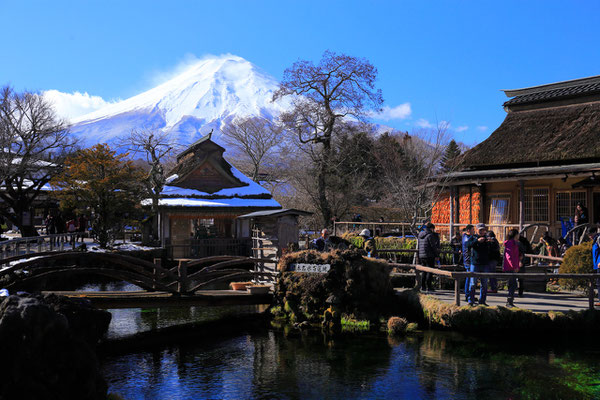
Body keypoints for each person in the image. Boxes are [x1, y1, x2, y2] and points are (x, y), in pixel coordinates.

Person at [466, 223, 491, 306]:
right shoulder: (473, 238)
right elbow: (467, 245)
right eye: (480, 230)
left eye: (483, 230)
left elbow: (495, 248)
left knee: (484, 284)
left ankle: (482, 301)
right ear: (477, 230)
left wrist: (491, 242)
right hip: (475, 263)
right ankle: (471, 300)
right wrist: (477, 241)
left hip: (485, 263)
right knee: (473, 283)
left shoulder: (487, 239)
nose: (482, 231)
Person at [418, 222, 440, 292]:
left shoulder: (420, 235)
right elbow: (433, 246)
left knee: (424, 271)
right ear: (431, 228)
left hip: (421, 255)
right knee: (430, 271)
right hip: (429, 255)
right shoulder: (430, 235)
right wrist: (436, 255)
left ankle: (423, 286)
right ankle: (429, 286)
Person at [503, 229, 521, 307]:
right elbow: (509, 256)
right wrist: (514, 267)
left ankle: (510, 301)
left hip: (513, 266)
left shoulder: (515, 243)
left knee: (513, 284)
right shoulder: (510, 243)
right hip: (510, 267)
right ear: (515, 235)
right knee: (512, 284)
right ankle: (509, 301)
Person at [461, 225, 474, 301]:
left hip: (468, 260)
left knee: (469, 278)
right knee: (469, 278)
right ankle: (467, 294)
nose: (474, 231)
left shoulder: (466, 237)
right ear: (468, 230)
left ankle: (468, 294)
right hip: (468, 261)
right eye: (472, 229)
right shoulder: (467, 239)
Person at [589, 227, 600, 307]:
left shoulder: (599, 239)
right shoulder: (594, 240)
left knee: (599, 283)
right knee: (598, 283)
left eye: (591, 234)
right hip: (596, 264)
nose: (590, 236)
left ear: (595, 232)